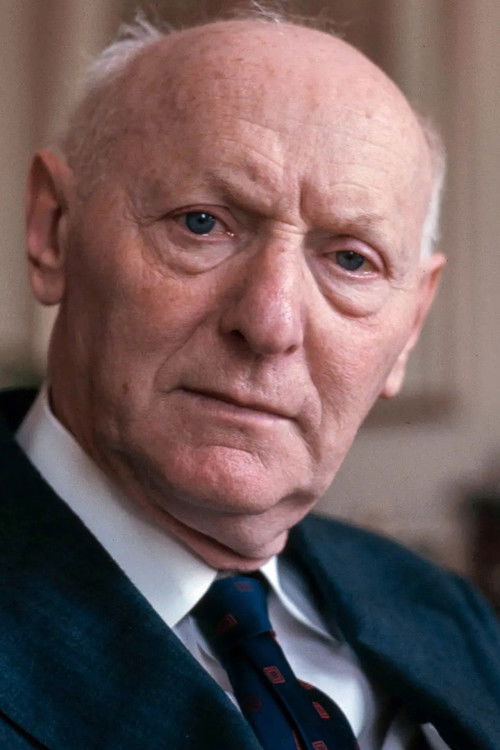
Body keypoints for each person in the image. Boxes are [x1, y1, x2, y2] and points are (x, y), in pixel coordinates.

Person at [0, 11, 498, 750]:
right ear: (54, 228)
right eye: (203, 223)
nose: (269, 323)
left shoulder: (450, 615)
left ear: (412, 324)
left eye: (351, 260)